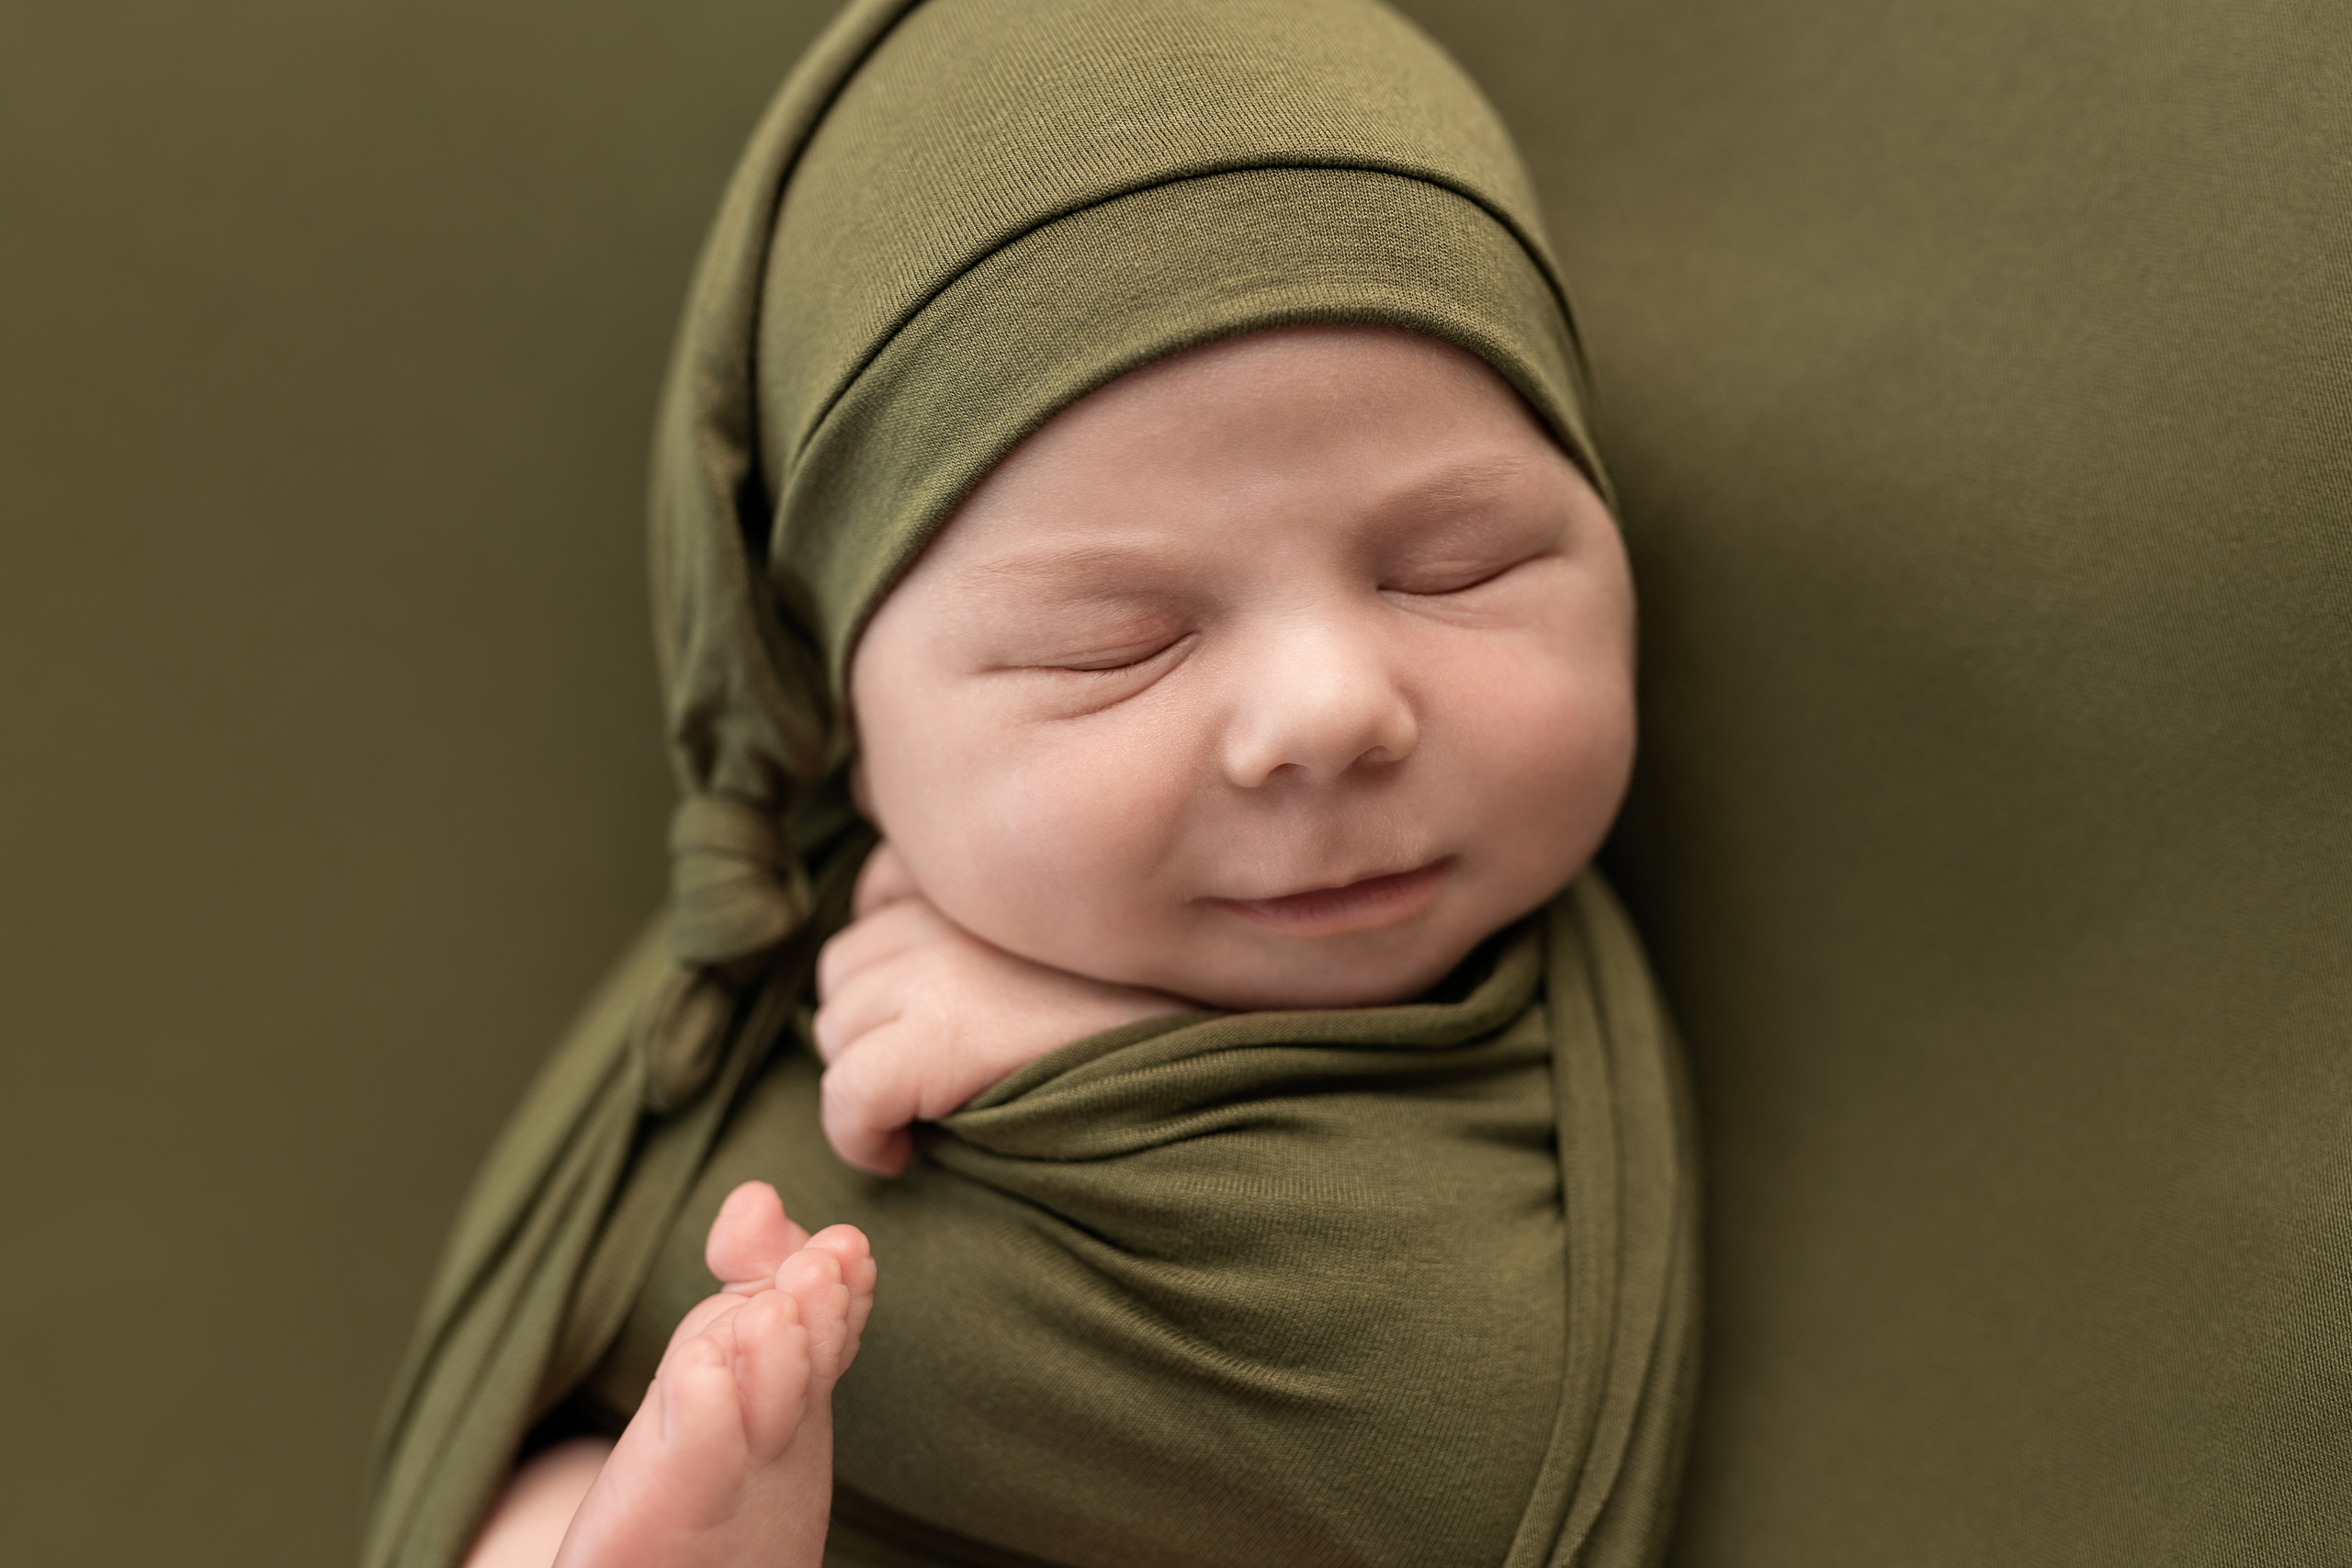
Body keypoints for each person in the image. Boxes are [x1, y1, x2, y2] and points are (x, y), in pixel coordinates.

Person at [366, 3, 1698, 1566]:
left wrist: (1100, 1056)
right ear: (845, 719)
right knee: (557, 1489)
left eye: (1456, 566)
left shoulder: (1552, 1071)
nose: (1331, 709)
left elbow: (1469, 1430)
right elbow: (556, 1335)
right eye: (1116, 645)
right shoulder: (744, 1013)